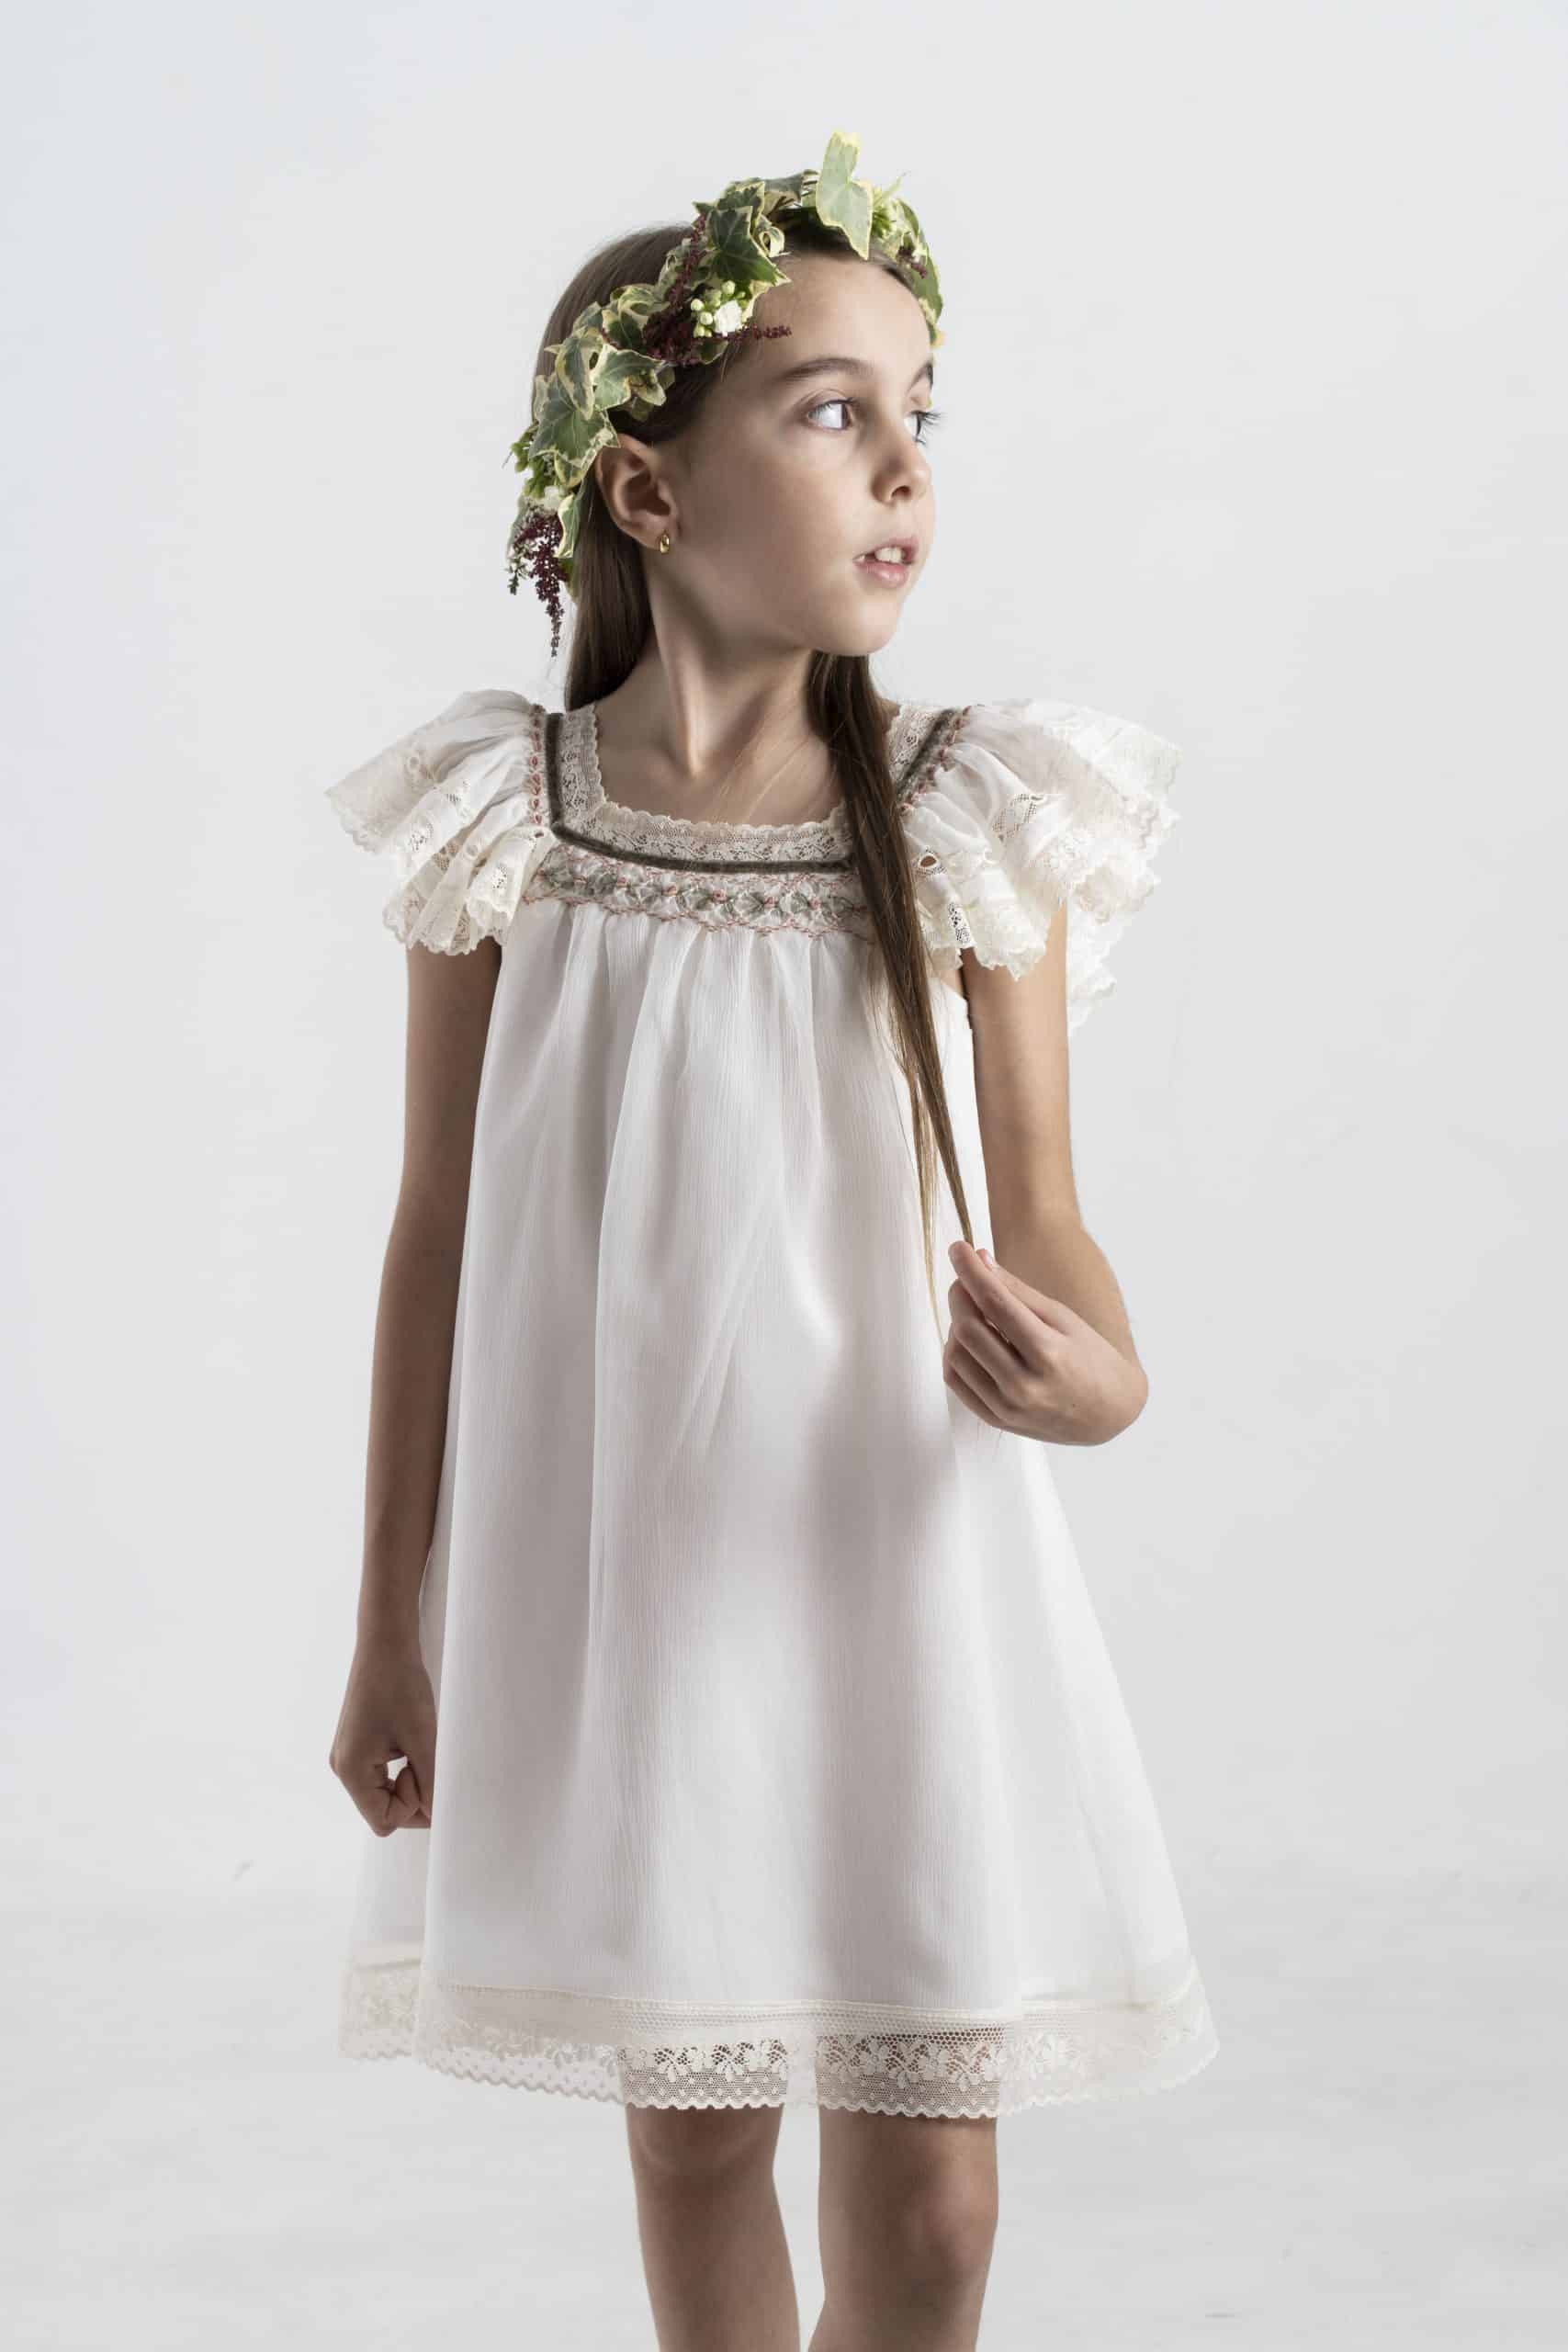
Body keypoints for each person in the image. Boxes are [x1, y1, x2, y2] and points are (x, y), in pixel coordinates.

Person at [323, 131, 1218, 2352]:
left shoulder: (962, 814)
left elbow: (1049, 1218)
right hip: (636, 1580)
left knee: (933, 2208)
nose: (903, 466)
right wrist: (387, 1624)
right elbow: (434, 1228)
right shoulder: (516, 823)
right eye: (831, 412)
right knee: (698, 2136)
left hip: (895, 1571)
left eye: (920, 412)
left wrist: (1100, 1381)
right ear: (647, 489)